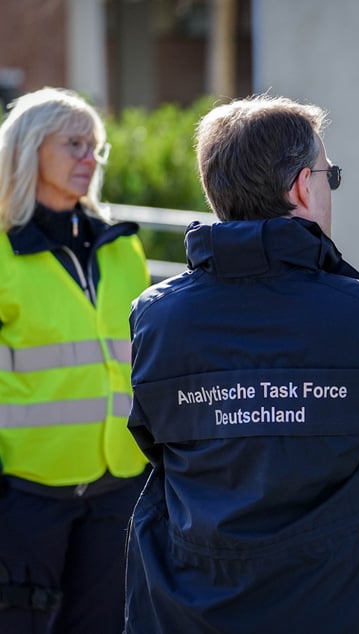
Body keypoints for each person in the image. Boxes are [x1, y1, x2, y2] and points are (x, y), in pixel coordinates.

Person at [122, 94, 359, 634]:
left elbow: (154, 441)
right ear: (300, 186)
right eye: (328, 175)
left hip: (196, 607)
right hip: (352, 607)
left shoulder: (155, 317)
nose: (329, 189)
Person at [0, 88, 151, 633]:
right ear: (29, 150)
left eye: (96, 147)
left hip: (117, 486)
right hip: (25, 493)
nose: (90, 158)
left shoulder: (122, 247)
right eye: (74, 145)